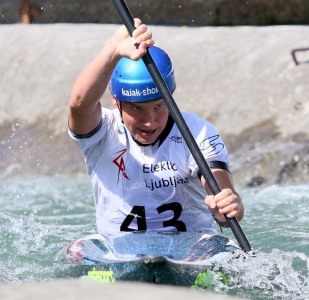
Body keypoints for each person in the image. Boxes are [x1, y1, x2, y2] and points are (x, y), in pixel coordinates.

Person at [68, 18, 244, 235]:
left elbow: (219, 185)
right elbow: (79, 105)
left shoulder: (197, 132)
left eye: (159, 105)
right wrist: (112, 50)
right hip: (120, 258)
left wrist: (226, 205)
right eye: (137, 109)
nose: (150, 121)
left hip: (191, 255)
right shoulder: (104, 131)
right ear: (116, 100)